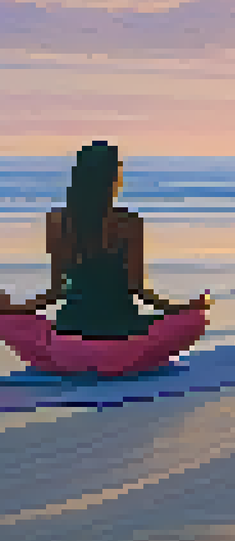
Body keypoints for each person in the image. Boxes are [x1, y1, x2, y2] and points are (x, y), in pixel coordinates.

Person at [0, 141, 211, 377]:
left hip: (70, 345)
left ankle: (72, 364)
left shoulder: (58, 222)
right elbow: (140, 291)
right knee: (195, 320)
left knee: (12, 324)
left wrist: (12, 310)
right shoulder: (129, 223)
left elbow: (55, 292)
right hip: (124, 344)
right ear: (112, 178)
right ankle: (118, 364)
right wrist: (186, 309)